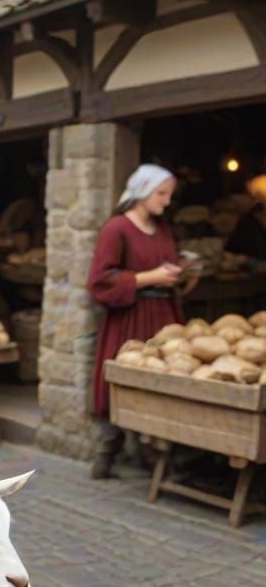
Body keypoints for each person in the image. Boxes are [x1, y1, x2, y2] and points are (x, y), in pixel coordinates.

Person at [87, 164, 183, 480]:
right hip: (129, 316)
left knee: (161, 382)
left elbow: (167, 262)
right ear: (142, 191)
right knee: (121, 379)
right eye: (161, 193)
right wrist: (149, 277)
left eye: (169, 194)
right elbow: (100, 280)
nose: (167, 201)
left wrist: (176, 273)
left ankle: (151, 453)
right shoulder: (116, 229)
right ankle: (107, 453)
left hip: (162, 317)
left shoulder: (164, 229)